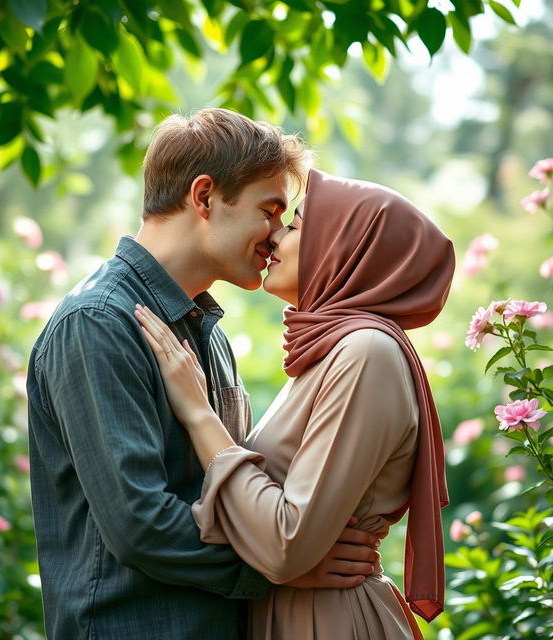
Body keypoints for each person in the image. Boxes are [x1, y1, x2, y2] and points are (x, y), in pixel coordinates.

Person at [27, 110, 380, 639]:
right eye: (269, 209)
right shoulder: (98, 323)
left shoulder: (207, 333)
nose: (278, 236)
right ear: (205, 197)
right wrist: (283, 567)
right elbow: (139, 523)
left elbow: (229, 491)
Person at [135, 167, 456, 639]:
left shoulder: (366, 353)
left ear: (346, 250)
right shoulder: (329, 354)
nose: (274, 238)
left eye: (296, 224)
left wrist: (198, 411)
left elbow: (285, 543)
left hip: (330, 620)